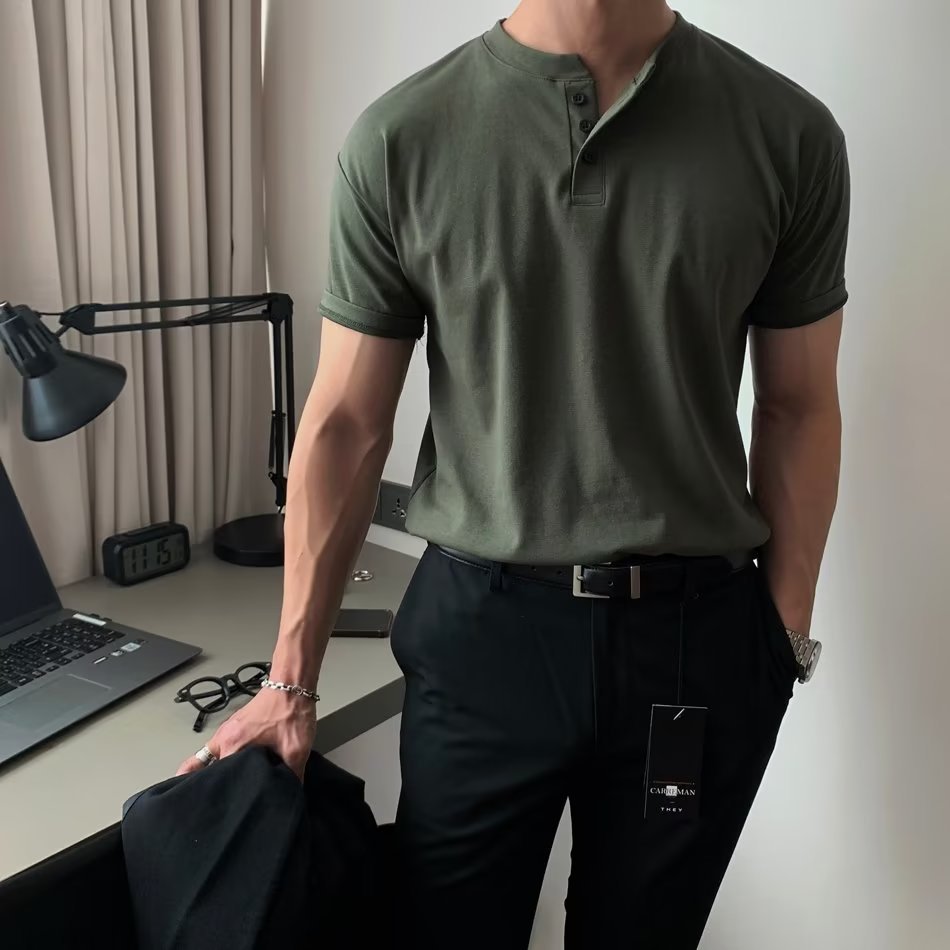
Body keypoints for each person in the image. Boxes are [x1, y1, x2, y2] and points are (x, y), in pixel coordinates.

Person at [177, 1, 849, 947]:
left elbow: (799, 405)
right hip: (483, 636)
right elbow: (345, 424)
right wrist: (290, 682)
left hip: (694, 643)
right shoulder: (402, 137)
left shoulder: (786, 132)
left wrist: (782, 643)